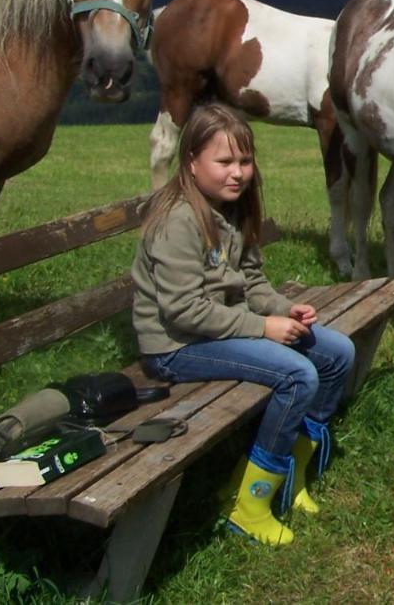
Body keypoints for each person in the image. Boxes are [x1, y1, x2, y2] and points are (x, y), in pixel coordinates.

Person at [131, 102, 355, 546]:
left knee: (338, 354)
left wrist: (283, 308)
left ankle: (288, 475)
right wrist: (263, 328)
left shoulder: (233, 208)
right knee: (297, 375)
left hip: (218, 327)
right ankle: (250, 504)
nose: (238, 173)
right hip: (176, 347)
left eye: (245, 161)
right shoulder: (178, 219)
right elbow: (183, 311)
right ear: (191, 162)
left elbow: (250, 280)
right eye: (224, 161)